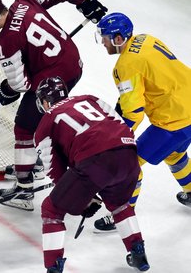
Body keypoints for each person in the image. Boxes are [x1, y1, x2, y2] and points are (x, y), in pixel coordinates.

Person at [0, 0, 108, 211]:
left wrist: (8, 88)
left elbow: (21, 84)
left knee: (24, 126)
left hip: (54, 79)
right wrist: (83, 2)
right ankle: (35, 162)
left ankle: (24, 189)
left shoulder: (5, 44)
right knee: (41, 116)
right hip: (73, 63)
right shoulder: (24, 0)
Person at [34, 77, 150, 272]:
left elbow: (55, 170)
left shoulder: (46, 122)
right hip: (128, 155)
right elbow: (119, 122)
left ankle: (53, 267)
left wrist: (82, 198)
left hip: (95, 163)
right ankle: (138, 252)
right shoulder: (90, 98)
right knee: (119, 205)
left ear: (45, 101)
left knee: (51, 209)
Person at [93, 12, 191, 232]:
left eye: (105, 38)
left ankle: (122, 214)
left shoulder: (125, 66)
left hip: (174, 121)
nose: (102, 43)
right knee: (175, 155)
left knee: (129, 164)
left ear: (119, 39)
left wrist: (115, 137)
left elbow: (134, 112)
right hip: (188, 104)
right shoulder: (145, 38)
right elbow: (154, 74)